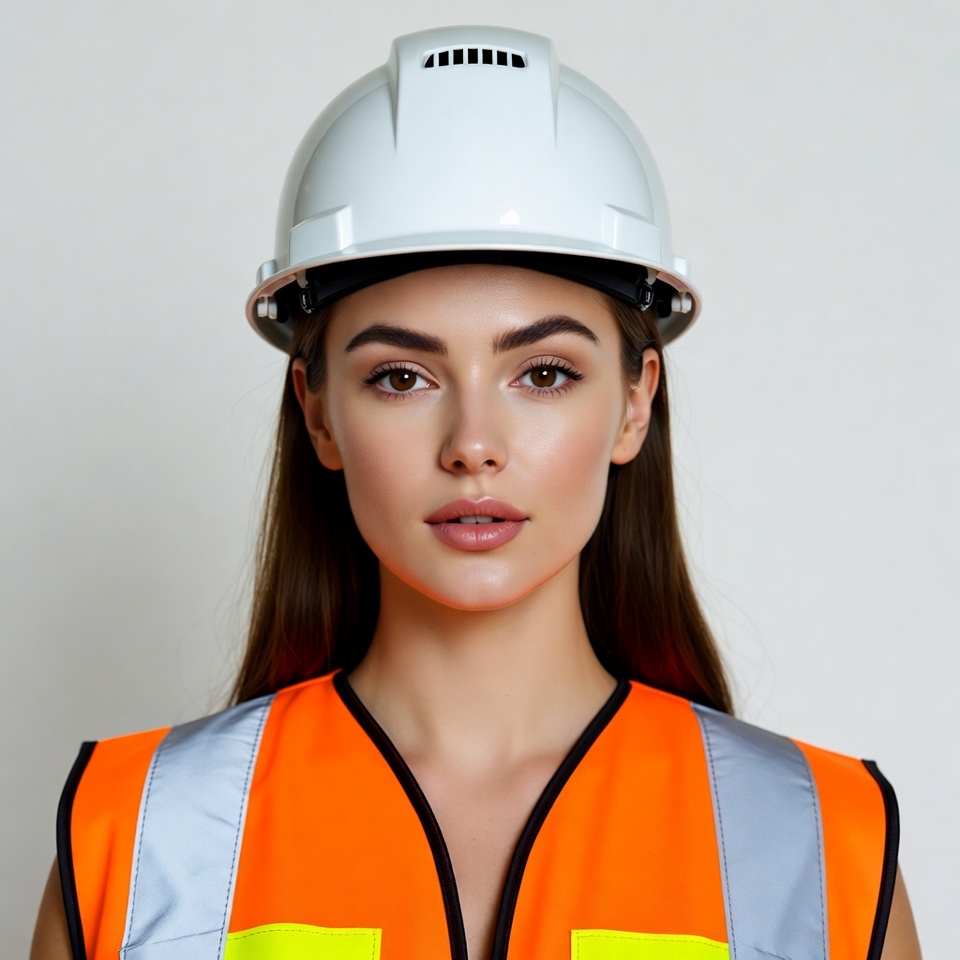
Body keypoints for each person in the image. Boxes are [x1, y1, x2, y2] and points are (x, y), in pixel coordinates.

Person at [31, 25, 921, 960]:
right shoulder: (134, 836)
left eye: (542, 373)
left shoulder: (823, 847)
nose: (473, 447)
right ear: (319, 412)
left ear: (634, 404)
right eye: (401, 378)